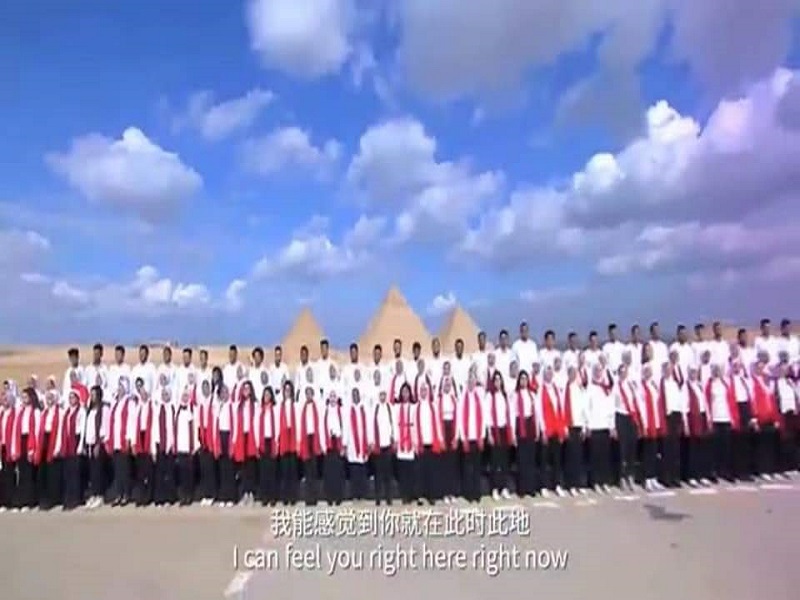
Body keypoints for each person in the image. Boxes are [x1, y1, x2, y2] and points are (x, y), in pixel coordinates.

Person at [105, 376, 136, 506]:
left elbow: (131, 421)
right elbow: (109, 421)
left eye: (122, 387)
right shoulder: (115, 403)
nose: (120, 389)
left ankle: (126, 494)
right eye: (119, 387)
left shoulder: (130, 403)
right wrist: (107, 439)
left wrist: (130, 438)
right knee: (117, 469)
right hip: (115, 440)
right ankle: (118, 493)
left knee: (124, 469)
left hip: (123, 440)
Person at [706, 364, 738, 483]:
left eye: (719, 370)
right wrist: (709, 418)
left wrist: (733, 417)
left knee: (726, 447)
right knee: (715, 447)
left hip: (726, 418)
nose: (717, 372)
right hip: (715, 418)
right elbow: (707, 402)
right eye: (715, 370)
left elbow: (731, 400)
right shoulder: (710, 384)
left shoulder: (725, 384)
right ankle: (713, 471)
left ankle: (726, 471)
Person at [587, 365, 615, 494]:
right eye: (596, 371)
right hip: (594, 426)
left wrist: (612, 426)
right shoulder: (590, 388)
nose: (598, 373)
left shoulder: (606, 389)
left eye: (600, 371)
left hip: (605, 426)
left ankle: (604, 481)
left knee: (605, 456)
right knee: (595, 456)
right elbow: (587, 408)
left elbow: (610, 408)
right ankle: (595, 482)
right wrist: (587, 425)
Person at [10, 387, 40, 510]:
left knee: (29, 473)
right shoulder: (20, 412)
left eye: (26, 397)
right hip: (21, 441)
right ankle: (21, 501)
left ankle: (29, 501)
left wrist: (33, 448)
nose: (24, 399)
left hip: (30, 441)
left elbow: (37, 430)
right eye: (22, 397)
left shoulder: (36, 412)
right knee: (21, 472)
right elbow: (15, 430)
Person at [539, 367, 567, 497]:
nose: (549, 375)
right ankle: (543, 486)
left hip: (556, 428)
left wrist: (563, 428)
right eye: (547, 373)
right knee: (544, 459)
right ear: (544, 375)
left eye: (551, 373)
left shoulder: (556, 389)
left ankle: (557, 485)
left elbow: (560, 408)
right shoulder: (541, 389)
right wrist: (543, 429)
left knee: (557, 459)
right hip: (546, 429)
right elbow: (539, 411)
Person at [457, 375, 485, 503]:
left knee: (477, 467)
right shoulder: (463, 398)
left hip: (477, 437)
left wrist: (482, 436)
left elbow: (483, 417)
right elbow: (460, 419)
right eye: (469, 382)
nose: (471, 384)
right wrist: (463, 438)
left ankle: (477, 493)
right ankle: (468, 493)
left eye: (473, 382)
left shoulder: (479, 397)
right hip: (468, 438)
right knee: (468, 468)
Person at [751, 363, 781, 481]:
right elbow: (753, 401)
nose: (762, 370)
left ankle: (770, 469)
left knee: (770, 446)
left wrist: (776, 419)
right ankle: (762, 470)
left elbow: (773, 403)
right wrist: (755, 419)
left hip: (770, 418)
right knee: (762, 447)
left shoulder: (768, 384)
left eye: (763, 368)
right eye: (759, 368)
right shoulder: (753, 383)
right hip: (761, 418)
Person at [486, 371, 513, 501]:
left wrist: (511, 432)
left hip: (504, 430)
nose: (497, 382)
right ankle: (494, 489)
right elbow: (487, 416)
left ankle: (504, 488)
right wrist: (489, 433)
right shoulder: (490, 396)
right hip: (494, 430)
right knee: (495, 462)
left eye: (499, 380)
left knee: (504, 462)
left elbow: (510, 413)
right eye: (495, 380)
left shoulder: (505, 395)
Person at [60, 385, 87, 510]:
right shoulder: (67, 412)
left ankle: (76, 498)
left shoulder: (81, 411)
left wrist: (80, 445)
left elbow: (82, 430)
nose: (71, 399)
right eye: (70, 397)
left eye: (73, 397)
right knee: (67, 473)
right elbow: (63, 430)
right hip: (67, 443)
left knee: (76, 473)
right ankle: (68, 497)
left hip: (76, 441)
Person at [614, 364, 641, 492]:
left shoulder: (631, 385)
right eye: (621, 372)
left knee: (632, 447)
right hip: (621, 416)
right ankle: (622, 477)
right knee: (622, 449)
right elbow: (612, 405)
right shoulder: (616, 387)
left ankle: (631, 476)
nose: (623, 374)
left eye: (625, 372)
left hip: (632, 417)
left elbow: (636, 400)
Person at [197, 369, 222, 506]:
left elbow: (216, 418)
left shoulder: (213, 401)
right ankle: (206, 494)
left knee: (211, 468)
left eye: (207, 387)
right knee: (204, 468)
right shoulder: (201, 403)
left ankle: (212, 494)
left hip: (211, 436)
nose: (205, 389)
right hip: (203, 437)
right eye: (203, 387)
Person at [660, 359, 686, 488]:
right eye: (666, 369)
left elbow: (679, 400)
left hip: (676, 415)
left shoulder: (675, 384)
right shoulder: (661, 384)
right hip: (666, 417)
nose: (668, 371)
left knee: (676, 449)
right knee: (667, 449)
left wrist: (681, 416)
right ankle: (666, 477)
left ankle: (675, 477)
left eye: (670, 369)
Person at [415, 379, 441, 505]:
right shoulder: (416, 407)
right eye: (422, 390)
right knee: (420, 472)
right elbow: (414, 426)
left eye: (425, 390)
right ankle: (420, 495)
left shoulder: (433, 406)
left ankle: (431, 495)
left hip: (431, 442)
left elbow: (437, 424)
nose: (424, 392)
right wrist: (415, 443)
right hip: (421, 443)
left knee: (431, 471)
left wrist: (439, 439)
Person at [562, 367, 588, 495]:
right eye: (571, 373)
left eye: (575, 373)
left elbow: (583, 408)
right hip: (569, 426)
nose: (573, 375)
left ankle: (578, 483)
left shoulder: (580, 388)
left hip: (579, 425)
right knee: (570, 456)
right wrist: (565, 426)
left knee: (579, 456)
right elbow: (563, 407)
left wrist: (584, 426)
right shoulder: (566, 388)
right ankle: (570, 484)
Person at [639, 365, 665, 491]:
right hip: (648, 423)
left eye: (650, 371)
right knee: (647, 452)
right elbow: (642, 407)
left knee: (655, 451)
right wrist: (644, 424)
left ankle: (654, 478)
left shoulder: (654, 385)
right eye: (646, 371)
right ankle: (647, 479)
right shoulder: (641, 387)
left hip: (656, 422)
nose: (648, 373)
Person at [686, 367, 713, 487]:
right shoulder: (686, 387)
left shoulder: (700, 385)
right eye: (692, 372)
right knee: (693, 449)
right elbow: (685, 406)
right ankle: (692, 476)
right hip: (693, 418)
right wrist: (686, 423)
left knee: (703, 448)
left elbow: (705, 403)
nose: (694, 374)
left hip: (702, 417)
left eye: (695, 372)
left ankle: (702, 475)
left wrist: (708, 418)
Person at [513, 371, 539, 497]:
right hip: (520, 426)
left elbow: (537, 414)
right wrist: (513, 433)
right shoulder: (515, 395)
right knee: (522, 460)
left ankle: (531, 487)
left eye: (525, 378)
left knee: (531, 459)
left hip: (530, 426)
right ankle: (522, 489)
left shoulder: (532, 395)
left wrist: (538, 430)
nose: (524, 381)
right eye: (521, 379)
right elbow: (513, 415)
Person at [82, 385, 108, 509]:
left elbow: (104, 427)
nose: (92, 397)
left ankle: (100, 495)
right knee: (92, 471)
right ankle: (93, 494)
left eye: (94, 394)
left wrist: (98, 443)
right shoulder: (90, 410)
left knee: (98, 470)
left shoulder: (103, 409)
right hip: (89, 444)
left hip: (98, 444)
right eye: (90, 395)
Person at [234, 381, 259, 506]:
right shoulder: (239, 405)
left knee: (251, 467)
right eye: (244, 388)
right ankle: (244, 493)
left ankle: (251, 493)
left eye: (248, 388)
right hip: (241, 437)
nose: (246, 390)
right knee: (243, 468)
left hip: (252, 437)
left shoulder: (255, 404)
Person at [37, 389, 62, 510]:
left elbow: (60, 431)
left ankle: (54, 499)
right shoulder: (44, 413)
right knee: (44, 472)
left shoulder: (59, 413)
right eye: (48, 397)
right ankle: (44, 498)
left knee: (54, 473)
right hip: (44, 442)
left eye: (51, 397)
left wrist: (57, 447)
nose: (49, 400)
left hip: (54, 441)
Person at [393, 383, 418, 504]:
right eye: (403, 392)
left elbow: (416, 425)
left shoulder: (414, 407)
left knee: (411, 470)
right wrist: (396, 440)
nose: (405, 394)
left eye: (407, 392)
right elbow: (394, 424)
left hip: (411, 439)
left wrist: (416, 441)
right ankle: (404, 494)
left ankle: (411, 493)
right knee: (402, 470)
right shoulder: (396, 407)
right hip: (400, 440)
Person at [212, 385, 236, 507]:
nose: (224, 394)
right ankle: (223, 496)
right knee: (222, 467)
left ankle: (230, 496)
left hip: (229, 436)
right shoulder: (218, 406)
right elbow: (215, 423)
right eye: (222, 392)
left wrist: (234, 440)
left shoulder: (232, 406)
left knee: (229, 468)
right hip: (220, 436)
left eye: (226, 392)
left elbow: (235, 424)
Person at [255, 387, 279, 506]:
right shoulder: (260, 410)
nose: (267, 397)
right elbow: (256, 426)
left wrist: (277, 442)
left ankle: (272, 497)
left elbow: (278, 425)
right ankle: (265, 497)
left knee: (272, 471)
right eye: (265, 395)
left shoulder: (275, 409)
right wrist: (257, 443)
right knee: (264, 471)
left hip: (272, 441)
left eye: (269, 395)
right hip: (263, 442)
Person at [298, 386, 322, 506]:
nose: (308, 396)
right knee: (307, 471)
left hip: (315, 439)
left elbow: (320, 425)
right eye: (306, 394)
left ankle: (315, 497)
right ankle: (308, 498)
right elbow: (300, 426)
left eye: (310, 393)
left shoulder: (317, 408)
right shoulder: (302, 408)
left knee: (314, 470)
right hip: (306, 440)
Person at [344, 387, 369, 501]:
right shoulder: (348, 410)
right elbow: (346, 428)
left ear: (359, 396)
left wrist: (370, 442)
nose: (355, 396)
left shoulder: (364, 409)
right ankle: (355, 494)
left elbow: (368, 426)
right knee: (354, 470)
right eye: (353, 394)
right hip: (352, 444)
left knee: (362, 470)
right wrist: (344, 444)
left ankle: (362, 494)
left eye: (356, 394)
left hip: (363, 442)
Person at [321, 389, 345, 505]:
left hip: (338, 444)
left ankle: (338, 497)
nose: (332, 398)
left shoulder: (341, 411)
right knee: (329, 474)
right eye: (331, 396)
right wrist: (323, 445)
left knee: (338, 473)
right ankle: (329, 497)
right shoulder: (325, 411)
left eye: (334, 396)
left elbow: (345, 428)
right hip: (328, 444)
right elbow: (321, 428)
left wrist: (344, 445)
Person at [437, 375, 459, 503]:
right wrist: (440, 438)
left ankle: (452, 493)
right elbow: (437, 421)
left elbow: (458, 419)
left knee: (453, 464)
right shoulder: (438, 400)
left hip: (452, 430)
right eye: (445, 384)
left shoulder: (454, 399)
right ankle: (445, 492)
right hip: (443, 431)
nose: (447, 386)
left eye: (449, 384)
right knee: (444, 465)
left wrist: (456, 437)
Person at [174, 387, 198, 506]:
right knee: (181, 473)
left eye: (186, 396)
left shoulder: (191, 410)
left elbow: (194, 428)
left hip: (189, 447)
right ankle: (183, 496)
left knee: (189, 473)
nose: (184, 398)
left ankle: (189, 496)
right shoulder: (177, 411)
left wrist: (194, 446)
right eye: (183, 396)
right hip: (180, 446)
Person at [370, 389, 394, 505]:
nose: (382, 396)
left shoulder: (390, 408)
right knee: (378, 474)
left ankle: (388, 497)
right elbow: (371, 426)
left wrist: (395, 439)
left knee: (387, 473)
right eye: (381, 395)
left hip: (388, 444)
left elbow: (393, 424)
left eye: (384, 394)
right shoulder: (375, 408)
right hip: (378, 445)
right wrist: (371, 442)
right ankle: (378, 497)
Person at [774, 364, 798, 475]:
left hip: (793, 414)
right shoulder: (776, 383)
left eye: (786, 369)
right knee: (784, 440)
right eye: (782, 369)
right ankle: (784, 467)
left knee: (794, 440)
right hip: (782, 414)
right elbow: (776, 398)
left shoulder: (791, 382)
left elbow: (796, 395)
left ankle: (794, 466)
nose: (784, 371)